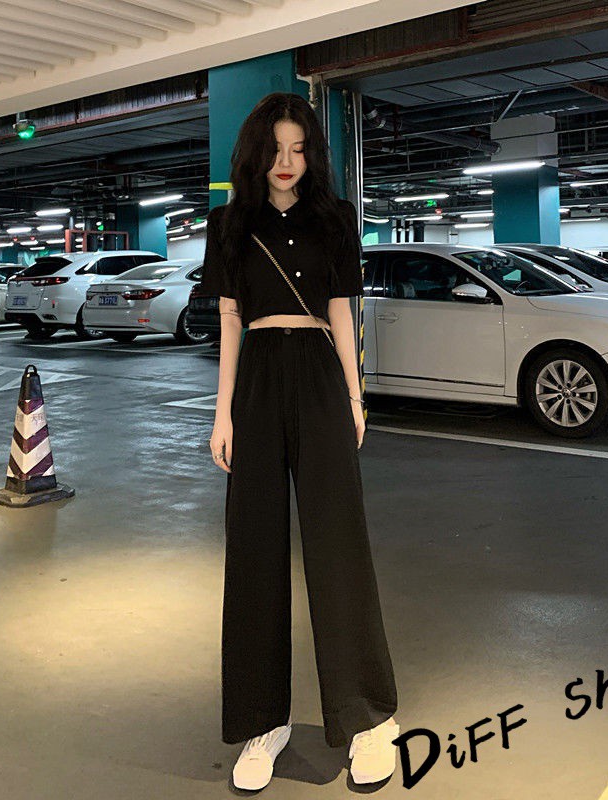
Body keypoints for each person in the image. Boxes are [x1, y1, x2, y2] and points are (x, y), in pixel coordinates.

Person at [201, 92, 399, 791]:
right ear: (255, 154)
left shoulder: (335, 218)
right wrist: (223, 413)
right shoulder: (228, 223)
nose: (287, 162)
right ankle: (264, 721)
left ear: (312, 154)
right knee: (253, 547)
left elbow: (342, 309)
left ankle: (367, 717)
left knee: (338, 543)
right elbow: (230, 319)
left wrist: (354, 394)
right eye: (275, 150)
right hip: (255, 378)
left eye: (299, 149)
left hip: (318, 375)